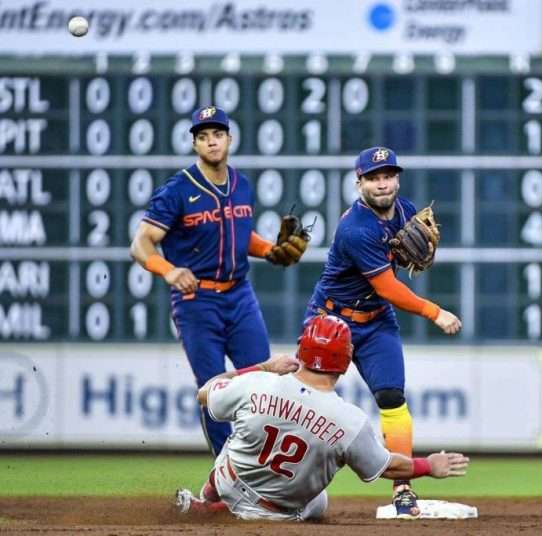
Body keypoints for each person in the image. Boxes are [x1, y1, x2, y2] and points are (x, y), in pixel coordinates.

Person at [130, 105, 307, 456]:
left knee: (265, 385)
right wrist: (169, 270)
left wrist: (270, 249)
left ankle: (262, 468)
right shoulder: (178, 190)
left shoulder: (242, 185)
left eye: (218, 134)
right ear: (195, 145)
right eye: (203, 137)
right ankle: (226, 477)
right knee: (216, 390)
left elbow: (241, 236)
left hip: (240, 296)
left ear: (229, 139)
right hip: (197, 301)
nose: (212, 142)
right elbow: (140, 244)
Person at [175, 314, 470, 521]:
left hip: (229, 481)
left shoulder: (259, 383)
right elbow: (388, 467)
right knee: (319, 500)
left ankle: (210, 500)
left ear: (301, 350)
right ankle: (219, 509)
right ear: (344, 362)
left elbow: (205, 393)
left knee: (236, 440)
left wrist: (263, 367)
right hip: (276, 514)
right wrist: (429, 465)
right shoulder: (349, 421)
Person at [302, 146, 462, 518]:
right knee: (304, 405)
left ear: (397, 178)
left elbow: (388, 289)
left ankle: (403, 488)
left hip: (374, 322)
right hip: (330, 322)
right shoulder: (355, 228)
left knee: (392, 397)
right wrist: (434, 311)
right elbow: (389, 287)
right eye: (373, 177)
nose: (382, 183)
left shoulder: (405, 209)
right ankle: (289, 481)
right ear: (359, 183)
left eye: (387, 175)